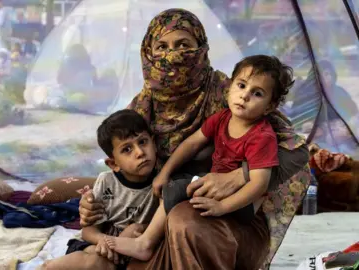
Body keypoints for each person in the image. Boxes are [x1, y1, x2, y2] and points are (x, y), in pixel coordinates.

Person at [79, 8, 311, 270]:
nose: (172, 55)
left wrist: (239, 175)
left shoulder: (229, 93)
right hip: (158, 219)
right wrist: (92, 207)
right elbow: (126, 173)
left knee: (183, 220)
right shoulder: (141, 110)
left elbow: (299, 152)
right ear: (148, 53)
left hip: (229, 218)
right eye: (162, 46)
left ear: (201, 48)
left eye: (183, 45)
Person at [103, 55, 294, 261]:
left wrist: (223, 207)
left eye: (257, 93)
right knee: (177, 179)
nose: (245, 96)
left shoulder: (261, 136)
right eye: (241, 85)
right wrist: (165, 173)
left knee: (176, 188)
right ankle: (150, 236)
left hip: (243, 203)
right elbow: (191, 144)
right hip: (218, 186)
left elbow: (258, 185)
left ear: (269, 107)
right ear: (230, 87)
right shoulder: (222, 118)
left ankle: (145, 243)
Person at [42, 109, 159, 270]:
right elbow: (88, 231)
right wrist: (103, 241)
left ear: (154, 143)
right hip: (98, 245)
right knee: (95, 261)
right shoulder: (106, 182)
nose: (140, 152)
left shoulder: (161, 182)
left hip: (130, 252)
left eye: (143, 142)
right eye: (127, 149)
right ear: (114, 164)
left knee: (133, 231)